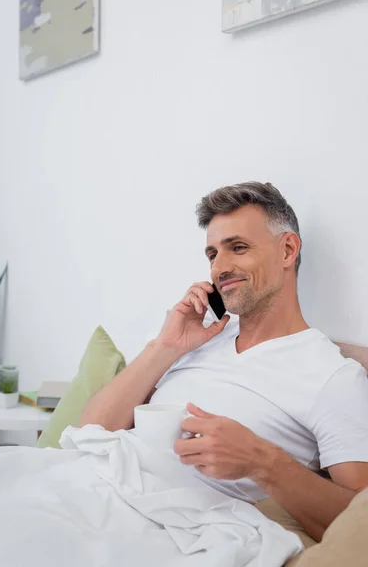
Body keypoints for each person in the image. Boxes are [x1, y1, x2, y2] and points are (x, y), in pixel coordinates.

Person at [80, 181, 368, 543]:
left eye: (238, 248)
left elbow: (360, 522)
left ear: (288, 250)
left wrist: (264, 462)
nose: (220, 267)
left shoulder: (333, 376)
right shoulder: (194, 342)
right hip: (89, 485)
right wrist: (165, 346)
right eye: (213, 254)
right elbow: (88, 431)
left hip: (152, 528)